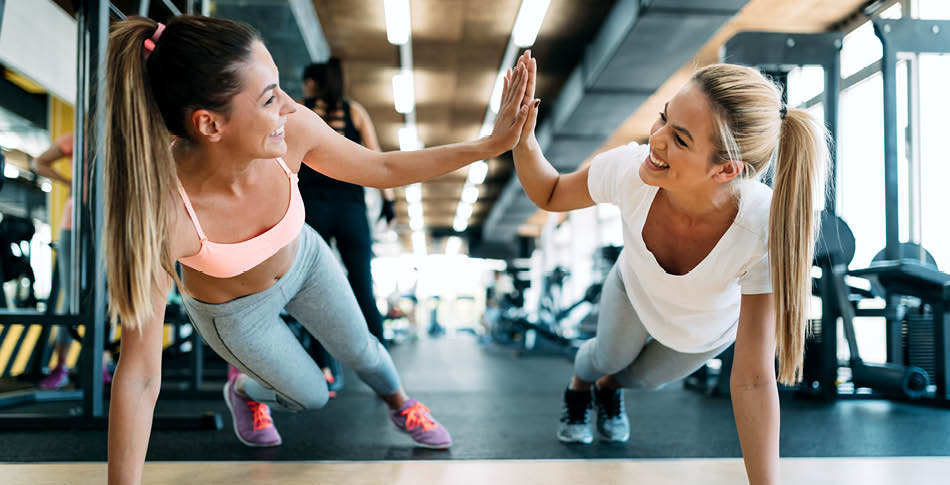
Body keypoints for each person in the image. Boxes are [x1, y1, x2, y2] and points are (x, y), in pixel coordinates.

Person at [103, 16, 531, 485]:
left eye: (279, 87)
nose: (287, 105)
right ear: (210, 124)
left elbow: (382, 166)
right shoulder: (165, 215)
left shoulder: (290, 130)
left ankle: (402, 404)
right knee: (313, 396)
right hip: (236, 314)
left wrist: (488, 145)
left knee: (365, 350)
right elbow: (141, 375)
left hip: (304, 262)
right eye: (268, 98)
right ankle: (245, 390)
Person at [509, 52, 827, 485]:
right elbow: (549, 192)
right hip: (633, 291)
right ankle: (581, 387)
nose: (655, 139)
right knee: (607, 355)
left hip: (699, 334)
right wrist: (522, 139)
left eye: (680, 139)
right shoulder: (630, 172)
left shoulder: (763, 230)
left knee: (638, 379)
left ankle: (608, 388)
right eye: (662, 119)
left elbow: (753, 380)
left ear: (727, 169)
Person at [296, 58, 394, 393]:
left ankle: (324, 365)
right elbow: (377, 156)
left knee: (313, 288)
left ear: (314, 83)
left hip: (313, 208)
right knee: (361, 282)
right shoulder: (354, 112)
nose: (305, 87)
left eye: (308, 81)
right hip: (350, 208)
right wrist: (389, 201)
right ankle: (384, 368)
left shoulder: (299, 109)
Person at [32, 131, 113, 389]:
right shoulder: (77, 137)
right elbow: (39, 162)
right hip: (75, 223)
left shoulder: (125, 134)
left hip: (110, 222)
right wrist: (69, 182)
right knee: (72, 296)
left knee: (106, 297)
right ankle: (61, 367)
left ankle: (99, 365)